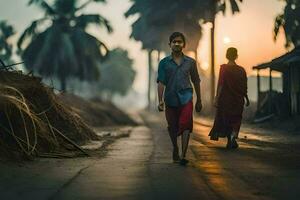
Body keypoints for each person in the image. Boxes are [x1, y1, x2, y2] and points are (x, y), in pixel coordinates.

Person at [157, 32, 202, 165]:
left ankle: (183, 155)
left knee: (186, 124)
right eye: (174, 41)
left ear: (184, 45)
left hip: (186, 98)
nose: (177, 43)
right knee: (172, 127)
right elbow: (161, 82)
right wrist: (160, 101)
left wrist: (199, 100)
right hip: (170, 99)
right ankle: (175, 148)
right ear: (170, 44)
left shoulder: (191, 63)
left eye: (179, 41)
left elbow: (196, 81)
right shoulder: (164, 63)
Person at [209, 47, 250, 149]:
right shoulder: (241, 70)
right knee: (236, 119)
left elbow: (221, 84)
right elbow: (244, 86)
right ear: (236, 56)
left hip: (225, 100)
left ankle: (230, 138)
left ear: (226, 56)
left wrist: (216, 98)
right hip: (238, 100)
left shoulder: (224, 69)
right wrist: (247, 98)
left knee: (226, 119)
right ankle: (233, 137)